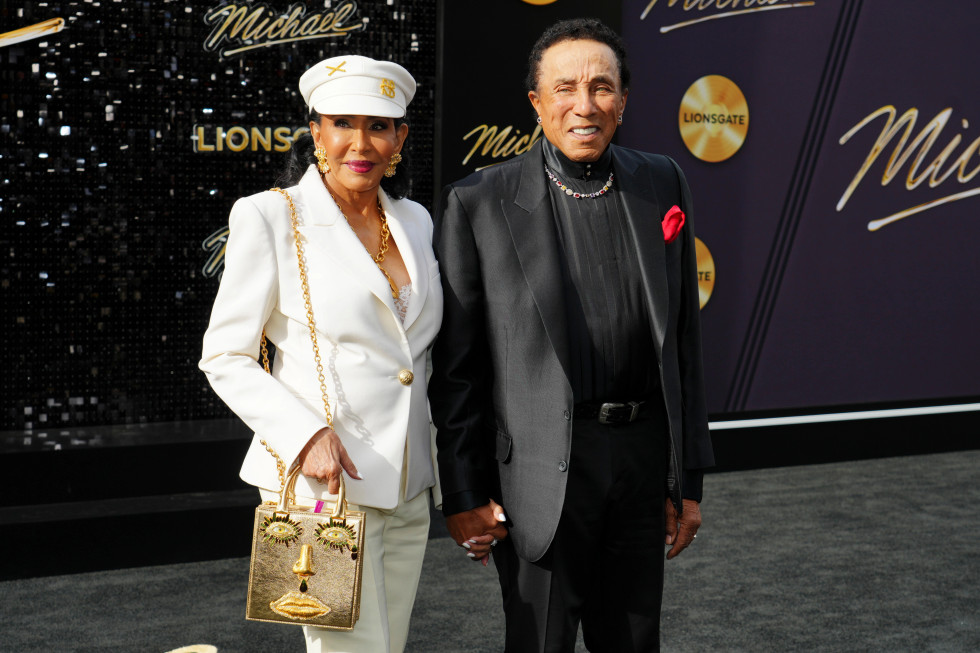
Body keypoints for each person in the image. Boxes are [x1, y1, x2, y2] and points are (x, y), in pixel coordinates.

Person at [429, 18, 715, 652]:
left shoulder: (661, 181)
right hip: (538, 476)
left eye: (601, 87)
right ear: (536, 102)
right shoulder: (478, 201)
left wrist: (686, 483)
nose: (584, 105)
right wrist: (464, 492)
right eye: (565, 88)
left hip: (640, 463)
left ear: (623, 100)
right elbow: (457, 372)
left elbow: (684, 345)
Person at [199, 55, 443, 653]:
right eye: (342, 124)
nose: (361, 143)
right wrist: (304, 435)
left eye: (379, 126)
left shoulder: (415, 220)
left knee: (389, 645)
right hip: (322, 485)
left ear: (400, 138)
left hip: (408, 481)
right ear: (315, 132)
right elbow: (225, 355)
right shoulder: (269, 215)